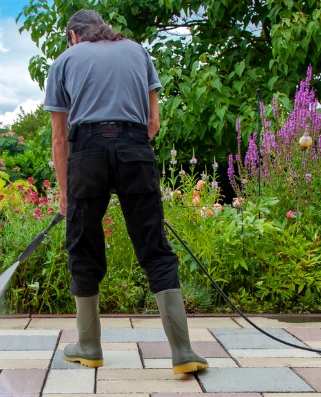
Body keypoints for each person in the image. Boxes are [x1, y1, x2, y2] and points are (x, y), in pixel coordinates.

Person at [43, 9, 208, 375]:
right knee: (155, 248)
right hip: (135, 147)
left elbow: (58, 138)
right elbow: (153, 123)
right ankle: (182, 352)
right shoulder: (138, 51)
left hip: (86, 153)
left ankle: (89, 346)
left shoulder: (65, 61)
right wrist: (127, 151)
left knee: (83, 246)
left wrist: (65, 192)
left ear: (73, 35)